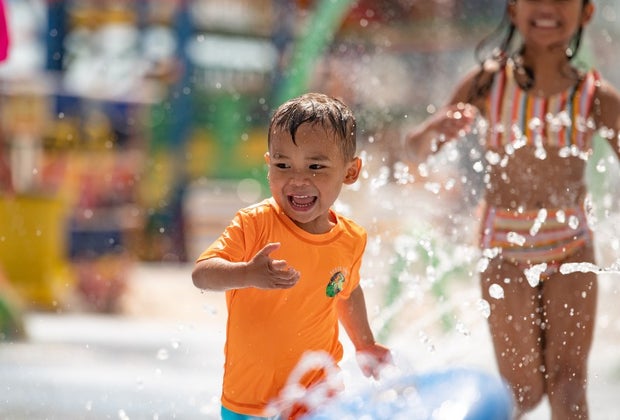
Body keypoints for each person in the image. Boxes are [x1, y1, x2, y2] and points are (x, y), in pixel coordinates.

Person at [404, 1, 620, 419]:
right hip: (503, 247)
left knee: (569, 387)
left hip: (571, 246)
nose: (547, 8)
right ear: (513, 8)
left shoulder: (595, 96)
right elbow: (417, 151)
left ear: (587, 12)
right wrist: (434, 131)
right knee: (521, 390)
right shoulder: (487, 85)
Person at [192, 92, 391, 420]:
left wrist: (365, 344)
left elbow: (347, 291)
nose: (298, 179)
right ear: (269, 164)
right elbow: (202, 273)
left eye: (316, 166)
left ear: (350, 172)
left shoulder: (351, 238)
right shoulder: (255, 224)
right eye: (283, 165)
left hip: (316, 394)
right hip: (250, 400)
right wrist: (247, 274)